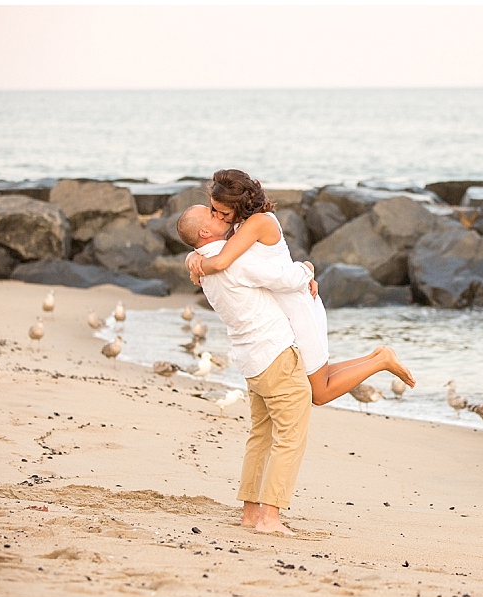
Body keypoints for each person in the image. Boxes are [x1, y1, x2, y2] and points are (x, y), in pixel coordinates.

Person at [185, 169, 415, 405]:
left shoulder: (259, 222)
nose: (218, 216)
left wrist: (197, 263)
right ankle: (376, 356)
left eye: (221, 211)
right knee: (313, 378)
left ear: (238, 204)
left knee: (320, 393)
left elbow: (222, 261)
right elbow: (218, 252)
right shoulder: (237, 225)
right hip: (283, 308)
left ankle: (381, 361)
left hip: (297, 305)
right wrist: (192, 258)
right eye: (214, 211)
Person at [176, 203, 316, 536]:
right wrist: (308, 269)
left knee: (262, 435)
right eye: (212, 214)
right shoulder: (231, 259)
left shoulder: (203, 266)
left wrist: (190, 258)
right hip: (275, 353)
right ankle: (269, 517)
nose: (221, 215)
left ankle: (251, 513)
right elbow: (283, 278)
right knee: (290, 436)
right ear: (205, 232)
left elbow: (199, 259)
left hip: (251, 359)